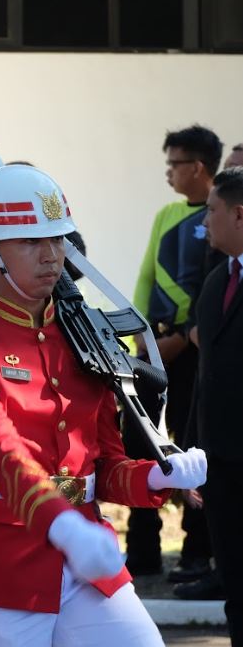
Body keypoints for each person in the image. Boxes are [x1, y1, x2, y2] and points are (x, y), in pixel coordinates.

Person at [0, 163, 224, 647]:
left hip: (86, 561)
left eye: (57, 238)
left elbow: (104, 465)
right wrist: (60, 521)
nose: (51, 254)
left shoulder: (83, 341)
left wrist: (156, 476)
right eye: (31, 240)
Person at [127, 125, 222, 581]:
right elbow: (147, 274)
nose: (168, 173)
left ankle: (194, 551)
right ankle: (141, 549)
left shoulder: (221, 215)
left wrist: (181, 337)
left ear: (198, 167)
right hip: (153, 347)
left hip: (192, 349)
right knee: (139, 443)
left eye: (174, 164)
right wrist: (142, 336)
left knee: (191, 444)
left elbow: (210, 285)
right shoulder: (167, 213)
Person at [189, 165, 243, 647]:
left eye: (211, 211)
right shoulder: (215, 280)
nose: (204, 223)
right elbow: (207, 373)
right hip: (223, 463)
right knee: (236, 582)